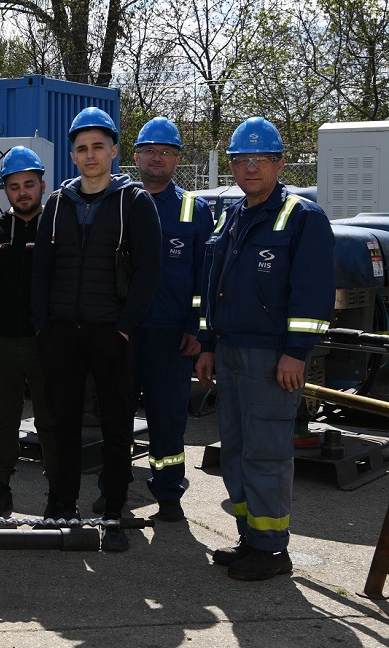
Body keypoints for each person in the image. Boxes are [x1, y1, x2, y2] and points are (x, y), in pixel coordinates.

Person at [196, 118, 334, 581]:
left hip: (273, 358)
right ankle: (251, 537)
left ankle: (273, 551)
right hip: (230, 351)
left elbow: (313, 293)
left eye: (261, 159)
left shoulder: (303, 217)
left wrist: (297, 351)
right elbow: (211, 289)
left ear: (279, 164)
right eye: (241, 159)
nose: (250, 167)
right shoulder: (232, 214)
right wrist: (208, 345)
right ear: (232, 166)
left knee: (267, 453)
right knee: (236, 450)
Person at [32, 107, 161, 552]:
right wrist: (44, 327)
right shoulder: (57, 204)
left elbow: (148, 272)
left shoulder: (134, 202)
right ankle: (60, 506)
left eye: (98, 147)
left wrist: (125, 327)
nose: (90, 155)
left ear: (114, 152)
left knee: (116, 425)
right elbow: (42, 270)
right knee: (62, 423)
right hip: (62, 333)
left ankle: (113, 512)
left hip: (111, 333)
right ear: (72, 156)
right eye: (82, 148)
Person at [130, 118, 214, 523]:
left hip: (171, 336)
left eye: (166, 151)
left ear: (178, 159)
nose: (157, 157)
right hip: (124, 332)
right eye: (150, 150)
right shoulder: (120, 201)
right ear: (136, 157)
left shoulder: (193, 210)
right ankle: (112, 489)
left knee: (168, 418)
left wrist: (197, 329)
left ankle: (168, 495)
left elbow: (205, 277)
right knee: (115, 415)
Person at [0, 146, 57, 518]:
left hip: (47, 345)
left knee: (51, 421)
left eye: (29, 184)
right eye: (14, 186)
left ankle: (58, 496)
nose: (22, 192)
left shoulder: (58, 232)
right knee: (2, 421)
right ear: (4, 190)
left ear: (42, 185)